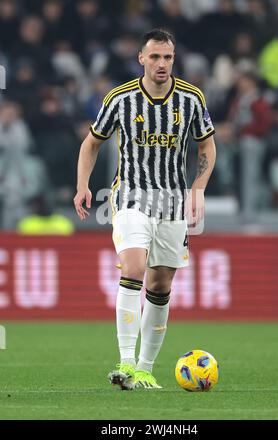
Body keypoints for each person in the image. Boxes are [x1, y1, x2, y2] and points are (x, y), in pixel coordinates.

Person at [74, 29, 216, 390]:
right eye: (154, 57)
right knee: (134, 266)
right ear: (141, 58)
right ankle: (124, 363)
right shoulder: (120, 99)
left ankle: (145, 369)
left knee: (161, 282)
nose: (162, 64)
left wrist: (197, 190)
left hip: (172, 201)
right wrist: (82, 186)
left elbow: (207, 147)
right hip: (131, 196)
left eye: (168, 57)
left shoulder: (191, 99)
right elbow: (92, 143)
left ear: (174, 59)